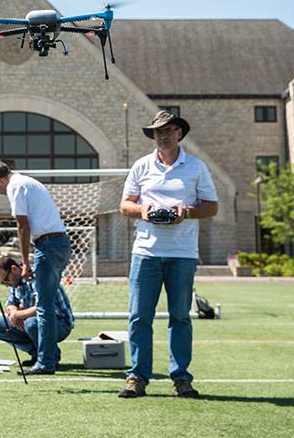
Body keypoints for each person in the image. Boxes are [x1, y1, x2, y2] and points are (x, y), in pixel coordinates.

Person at [118, 110, 218, 399]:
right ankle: (137, 377)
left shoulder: (196, 167)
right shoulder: (140, 166)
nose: (162, 135)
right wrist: (143, 210)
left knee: (180, 318)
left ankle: (181, 379)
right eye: (157, 131)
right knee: (139, 317)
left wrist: (185, 213)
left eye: (168, 130)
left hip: (182, 254)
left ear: (179, 134)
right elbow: (125, 205)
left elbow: (212, 207)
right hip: (145, 252)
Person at [0, 161, 71, 375]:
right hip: (58, 242)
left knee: (43, 307)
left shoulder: (15, 186)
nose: (1, 193)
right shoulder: (27, 181)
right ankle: (44, 357)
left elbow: (22, 225)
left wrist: (24, 261)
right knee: (43, 307)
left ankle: (46, 362)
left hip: (48, 244)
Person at [0, 257, 74, 368]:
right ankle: (37, 354)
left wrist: (18, 315)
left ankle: (50, 357)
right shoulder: (15, 282)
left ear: (14, 269)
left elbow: (43, 307)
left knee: (31, 323)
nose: (7, 284)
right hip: (33, 320)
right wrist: (13, 311)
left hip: (60, 323)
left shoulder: (36, 276)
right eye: (3, 283)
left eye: (6, 280)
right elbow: (10, 303)